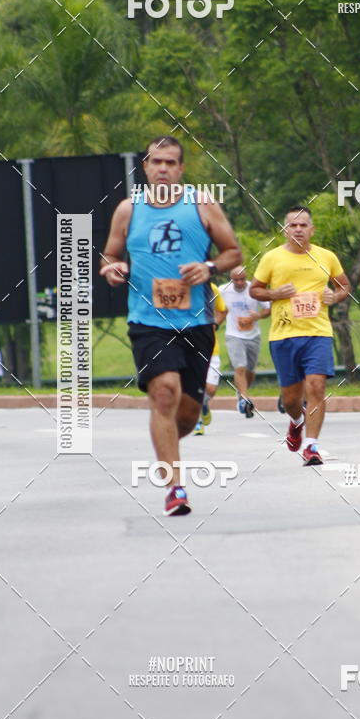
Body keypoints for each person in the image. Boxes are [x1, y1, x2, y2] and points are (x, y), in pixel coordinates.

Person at [100, 135, 241, 515]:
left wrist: (208, 267)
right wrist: (113, 268)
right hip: (148, 321)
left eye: (170, 162)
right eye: (156, 161)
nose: (162, 168)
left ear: (181, 169)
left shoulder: (202, 205)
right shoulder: (128, 210)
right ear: (145, 166)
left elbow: (233, 253)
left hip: (197, 321)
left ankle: (165, 447)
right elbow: (109, 255)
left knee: (188, 414)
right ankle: (175, 489)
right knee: (164, 393)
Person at [249, 206, 350, 465]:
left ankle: (311, 446)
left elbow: (344, 286)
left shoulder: (326, 257)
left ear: (311, 230)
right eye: (292, 225)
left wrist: (335, 295)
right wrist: (274, 294)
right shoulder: (272, 258)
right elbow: (255, 290)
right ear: (285, 230)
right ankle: (296, 420)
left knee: (316, 386)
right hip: (283, 336)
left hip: (318, 333)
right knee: (291, 400)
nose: (298, 229)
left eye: (303, 225)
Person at [220, 266, 270, 418]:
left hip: (253, 335)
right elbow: (212, 306)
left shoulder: (253, 290)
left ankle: (241, 393)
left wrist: (257, 316)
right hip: (234, 334)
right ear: (231, 279)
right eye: (236, 280)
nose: (239, 283)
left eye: (242, 279)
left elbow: (268, 309)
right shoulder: (223, 290)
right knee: (240, 367)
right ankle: (244, 400)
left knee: (250, 371)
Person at [194, 282, 227, 434]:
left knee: (211, 389)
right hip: (189, 347)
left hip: (211, 347)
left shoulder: (212, 288)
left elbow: (222, 310)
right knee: (195, 385)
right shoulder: (180, 287)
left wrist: (215, 324)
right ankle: (198, 422)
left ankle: (204, 404)